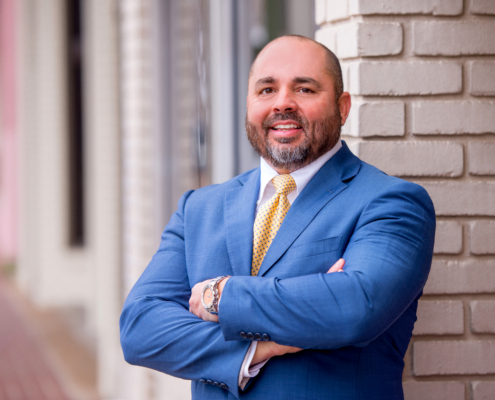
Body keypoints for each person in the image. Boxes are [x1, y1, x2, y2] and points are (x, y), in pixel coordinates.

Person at [120, 35, 436, 400]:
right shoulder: (199, 208)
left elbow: (356, 306)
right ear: (249, 105)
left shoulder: (391, 203)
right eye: (266, 90)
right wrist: (261, 347)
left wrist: (219, 295)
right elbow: (139, 328)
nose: (283, 103)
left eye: (304, 89)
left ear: (342, 107)